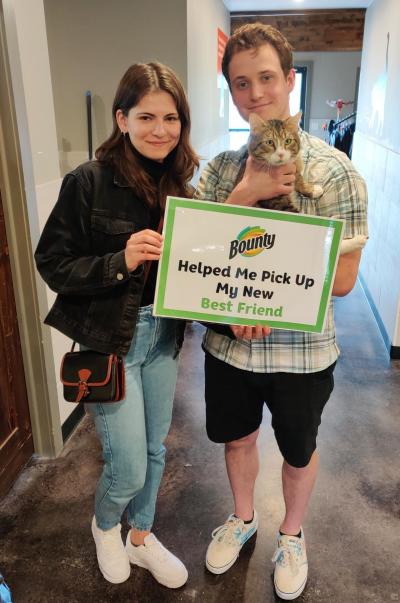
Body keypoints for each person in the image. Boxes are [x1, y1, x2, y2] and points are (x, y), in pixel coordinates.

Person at [194, 23, 367, 600]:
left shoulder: (335, 172)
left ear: (289, 80)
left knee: (299, 449)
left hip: (303, 350)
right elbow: (194, 264)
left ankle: (291, 534)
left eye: (267, 77)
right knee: (237, 439)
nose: (256, 93)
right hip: (231, 347)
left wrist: (268, 292)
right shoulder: (218, 171)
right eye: (241, 83)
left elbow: (343, 281)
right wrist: (244, 196)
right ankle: (243, 519)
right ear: (233, 93)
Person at [35, 62, 198, 589]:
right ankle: (106, 526)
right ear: (121, 118)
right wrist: (118, 261)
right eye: (146, 116)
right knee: (126, 464)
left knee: (155, 449)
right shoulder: (88, 180)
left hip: (165, 338)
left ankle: (141, 535)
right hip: (111, 342)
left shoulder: (183, 188)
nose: (160, 130)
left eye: (171, 118)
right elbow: (52, 262)